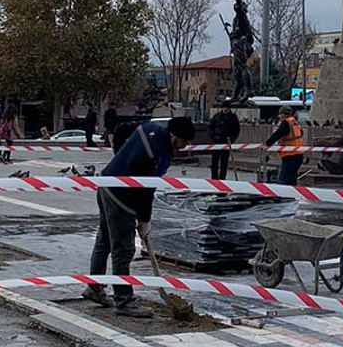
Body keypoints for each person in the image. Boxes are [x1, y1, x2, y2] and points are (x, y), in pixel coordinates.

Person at [82, 116, 195, 318]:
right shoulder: (157, 155)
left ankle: (94, 287)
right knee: (123, 250)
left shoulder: (148, 127)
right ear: (174, 136)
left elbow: (120, 128)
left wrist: (119, 158)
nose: (183, 147)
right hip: (121, 198)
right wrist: (145, 221)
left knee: (104, 242)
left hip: (107, 183)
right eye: (183, 142)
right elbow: (146, 191)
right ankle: (124, 301)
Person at [263, 105, 305, 186]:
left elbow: (277, 134)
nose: (279, 116)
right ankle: (292, 196)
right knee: (292, 180)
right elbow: (301, 133)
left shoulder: (286, 122)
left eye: (280, 114)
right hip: (298, 154)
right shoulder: (294, 122)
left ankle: (284, 196)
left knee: (283, 180)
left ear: (285, 114)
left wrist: (267, 144)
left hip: (290, 155)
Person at [208, 103, 241, 180]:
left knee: (224, 162)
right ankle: (214, 178)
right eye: (224, 108)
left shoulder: (233, 117)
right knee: (214, 161)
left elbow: (236, 130)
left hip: (227, 142)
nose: (225, 109)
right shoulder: (217, 116)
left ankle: (222, 178)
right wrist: (213, 137)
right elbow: (210, 127)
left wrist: (232, 139)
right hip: (217, 142)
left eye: (227, 108)